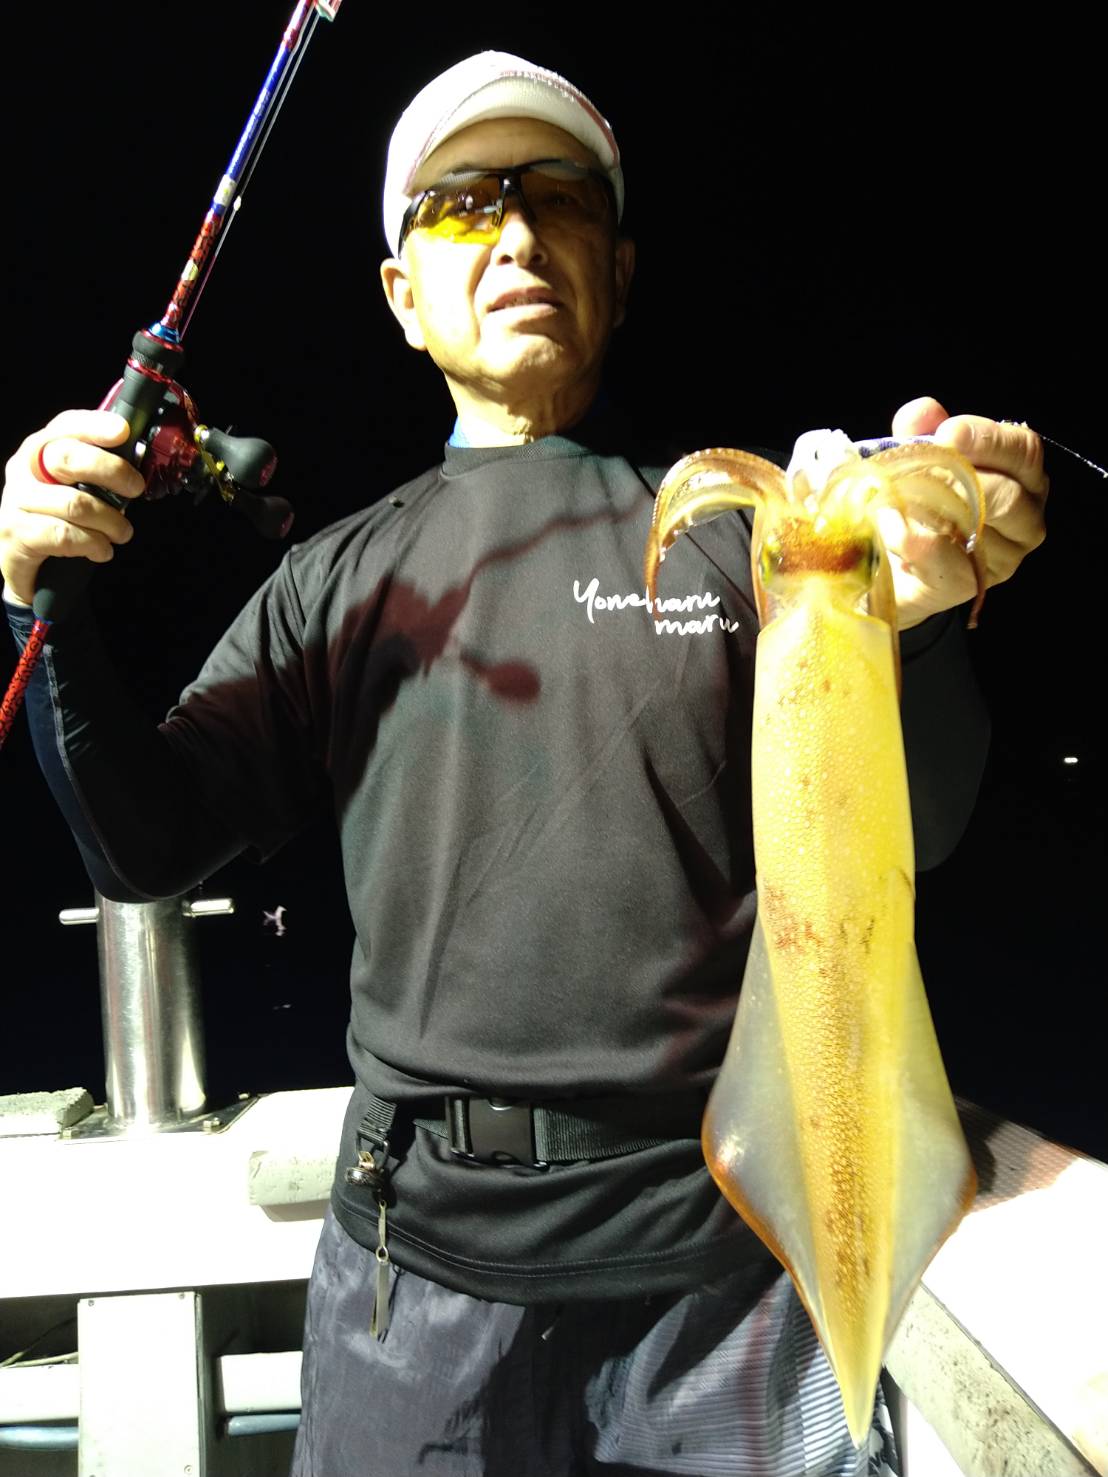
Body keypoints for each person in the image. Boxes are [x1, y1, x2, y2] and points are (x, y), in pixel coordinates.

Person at [1, 51, 1047, 1477]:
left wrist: (908, 618)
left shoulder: (752, 542)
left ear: (618, 266)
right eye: (459, 205)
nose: (513, 234)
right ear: (401, 295)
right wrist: (47, 600)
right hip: (413, 1279)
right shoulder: (338, 580)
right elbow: (147, 844)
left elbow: (914, 824)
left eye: (558, 198)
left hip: (724, 1270)